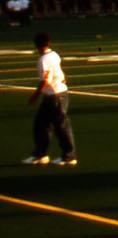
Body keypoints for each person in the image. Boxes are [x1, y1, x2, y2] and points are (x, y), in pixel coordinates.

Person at [24, 32, 77, 166]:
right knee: (41, 125)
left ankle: (69, 156)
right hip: (54, 94)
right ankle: (41, 154)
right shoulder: (54, 54)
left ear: (37, 46)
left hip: (55, 95)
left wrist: (34, 96)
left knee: (61, 126)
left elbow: (44, 81)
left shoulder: (43, 60)